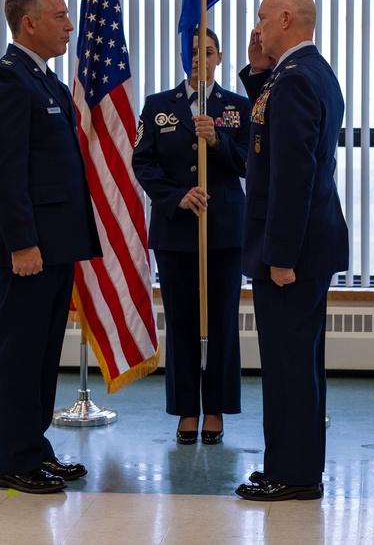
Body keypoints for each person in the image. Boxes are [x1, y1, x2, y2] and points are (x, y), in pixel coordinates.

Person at [0, 0, 102, 494]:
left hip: (56, 243)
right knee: (19, 355)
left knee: (43, 353)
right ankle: (12, 460)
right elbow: (4, 171)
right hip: (29, 247)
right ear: (28, 23)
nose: (69, 25)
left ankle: (34, 447)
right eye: (59, 16)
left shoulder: (46, 80)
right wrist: (23, 242)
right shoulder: (7, 79)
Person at [234, 0, 349, 502]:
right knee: (294, 362)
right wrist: (257, 68)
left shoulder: (298, 80)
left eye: (261, 18)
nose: (256, 27)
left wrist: (280, 253)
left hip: (293, 250)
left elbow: (292, 175)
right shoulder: (302, 73)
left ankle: (295, 474)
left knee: (289, 366)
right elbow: (268, 135)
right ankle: (289, 464)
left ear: (285, 17)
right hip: (305, 243)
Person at [132, 28, 249, 445]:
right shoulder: (159, 106)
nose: (200, 59)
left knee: (220, 323)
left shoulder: (236, 106)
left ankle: (215, 408)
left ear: (220, 58)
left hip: (224, 230)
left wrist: (217, 141)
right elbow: (142, 162)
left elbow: (251, 164)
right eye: (194, 52)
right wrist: (176, 196)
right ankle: (186, 409)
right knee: (181, 322)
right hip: (176, 229)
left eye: (209, 52)